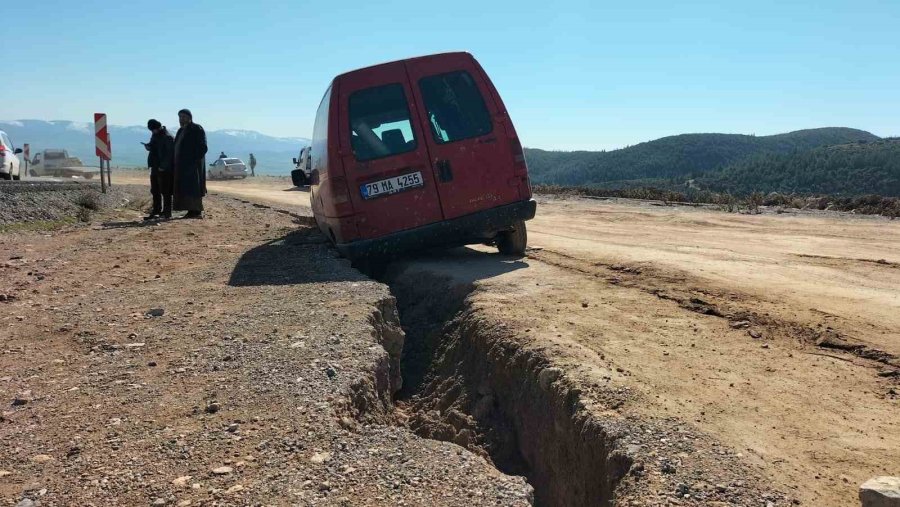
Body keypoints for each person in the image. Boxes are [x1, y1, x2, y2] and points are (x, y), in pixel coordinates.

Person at [173, 109, 208, 219]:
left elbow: (203, 147)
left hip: (193, 165)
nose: (181, 119)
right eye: (180, 117)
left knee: (194, 187)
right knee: (186, 187)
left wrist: (194, 160)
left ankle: (196, 211)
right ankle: (190, 210)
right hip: (182, 165)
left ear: (190, 117)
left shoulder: (196, 129)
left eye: (184, 117)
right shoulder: (180, 131)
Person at [143, 119, 175, 220]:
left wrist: (163, 166)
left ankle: (166, 213)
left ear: (159, 127)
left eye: (154, 130)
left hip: (164, 169)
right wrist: (148, 146)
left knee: (165, 192)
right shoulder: (155, 135)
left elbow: (170, 154)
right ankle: (156, 211)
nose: (152, 132)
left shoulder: (168, 137)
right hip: (155, 166)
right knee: (155, 190)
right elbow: (153, 147)